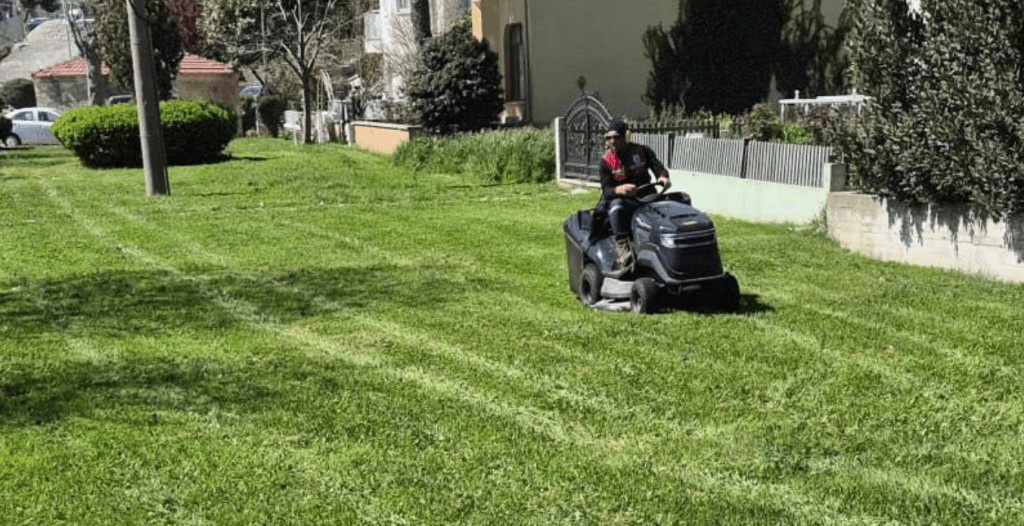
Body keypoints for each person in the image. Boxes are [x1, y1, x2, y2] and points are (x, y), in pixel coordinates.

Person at [597, 118, 672, 269]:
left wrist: (663, 177)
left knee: (680, 200)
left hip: (648, 196)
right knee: (616, 208)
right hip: (625, 202)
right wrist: (619, 190)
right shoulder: (606, 161)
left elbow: (658, 168)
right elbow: (606, 190)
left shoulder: (642, 151)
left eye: (616, 137)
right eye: (609, 138)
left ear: (626, 136)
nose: (613, 141)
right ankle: (623, 248)